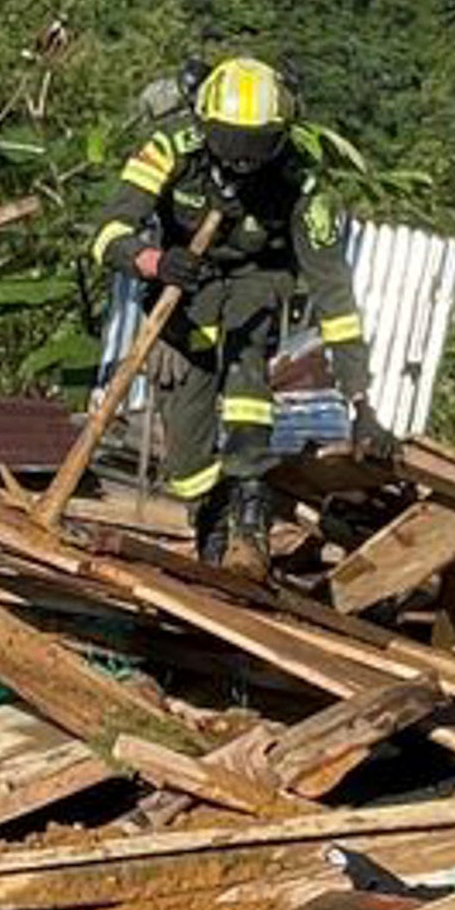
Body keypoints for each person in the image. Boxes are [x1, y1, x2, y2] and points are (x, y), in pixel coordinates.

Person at [91, 53, 379, 570]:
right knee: (186, 429)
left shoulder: (302, 181)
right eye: (232, 144)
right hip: (185, 283)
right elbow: (108, 236)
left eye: (256, 146)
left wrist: (362, 402)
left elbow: (334, 294)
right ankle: (211, 513)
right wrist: (156, 263)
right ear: (205, 125)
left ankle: (250, 501)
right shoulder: (169, 149)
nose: (243, 160)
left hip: (257, 279)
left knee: (248, 353)